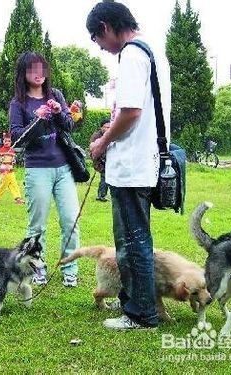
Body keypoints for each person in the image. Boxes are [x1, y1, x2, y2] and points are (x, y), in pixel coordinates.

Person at [87, 1, 171, 329]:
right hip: (143, 161)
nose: (102, 48)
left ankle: (140, 314)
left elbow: (132, 112)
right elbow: (139, 113)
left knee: (131, 244)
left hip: (131, 167)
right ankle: (139, 307)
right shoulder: (152, 52)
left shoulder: (132, 55)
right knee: (137, 240)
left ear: (106, 27)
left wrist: (102, 142)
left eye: (97, 39)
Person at [9, 51, 80, 287]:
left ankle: (70, 266)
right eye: (32, 70)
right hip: (37, 168)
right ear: (24, 74)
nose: (38, 74)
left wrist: (59, 112)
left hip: (63, 168)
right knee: (37, 224)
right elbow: (17, 138)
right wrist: (36, 118)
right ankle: (37, 267)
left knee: (70, 219)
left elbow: (69, 126)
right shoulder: (18, 103)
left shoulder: (56, 94)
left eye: (41, 69)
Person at [0, 132, 25, 205]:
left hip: (10, 170)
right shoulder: (0, 150)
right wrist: (0, 159)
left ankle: (18, 198)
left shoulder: (12, 150)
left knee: (14, 184)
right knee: (2, 185)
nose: (7, 142)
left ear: (11, 142)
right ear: (3, 141)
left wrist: (13, 161)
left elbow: (13, 159)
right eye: (5, 141)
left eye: (9, 141)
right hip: (3, 171)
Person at [90, 118, 111, 202]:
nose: (107, 129)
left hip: (109, 160)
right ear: (101, 127)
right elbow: (92, 147)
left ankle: (102, 194)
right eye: (106, 127)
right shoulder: (96, 136)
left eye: (109, 127)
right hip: (99, 161)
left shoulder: (111, 134)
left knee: (107, 178)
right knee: (104, 177)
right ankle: (101, 195)